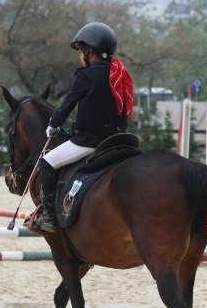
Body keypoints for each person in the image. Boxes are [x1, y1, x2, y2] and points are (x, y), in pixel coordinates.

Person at [35, 22, 134, 232]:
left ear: (89, 51)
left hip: (89, 142)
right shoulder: (120, 74)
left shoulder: (85, 75)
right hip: (118, 141)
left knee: (46, 163)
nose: (80, 56)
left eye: (81, 51)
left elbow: (66, 106)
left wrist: (53, 125)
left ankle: (50, 217)